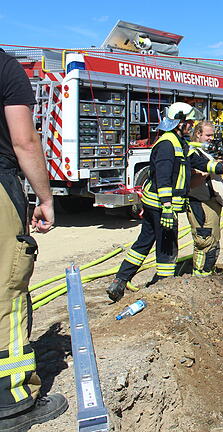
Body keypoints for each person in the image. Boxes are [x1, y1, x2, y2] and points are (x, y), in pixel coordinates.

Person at [0, 49, 68, 431]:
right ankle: (11, 402)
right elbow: (24, 141)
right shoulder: (5, 68)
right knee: (6, 294)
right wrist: (45, 198)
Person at [106, 102, 223, 301]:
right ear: (178, 123)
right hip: (160, 204)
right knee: (167, 245)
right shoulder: (166, 144)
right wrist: (166, 207)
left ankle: (120, 280)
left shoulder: (180, 142)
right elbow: (163, 178)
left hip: (159, 204)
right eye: (188, 122)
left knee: (145, 241)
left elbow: (197, 162)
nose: (190, 126)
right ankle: (163, 285)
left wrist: (219, 167)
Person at [186, 121, 223, 277]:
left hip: (212, 203)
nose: (211, 138)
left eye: (212, 135)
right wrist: (211, 171)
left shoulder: (203, 152)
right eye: (208, 135)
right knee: (205, 241)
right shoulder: (193, 153)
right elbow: (192, 181)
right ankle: (200, 276)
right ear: (198, 133)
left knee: (213, 241)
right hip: (200, 203)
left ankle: (208, 273)